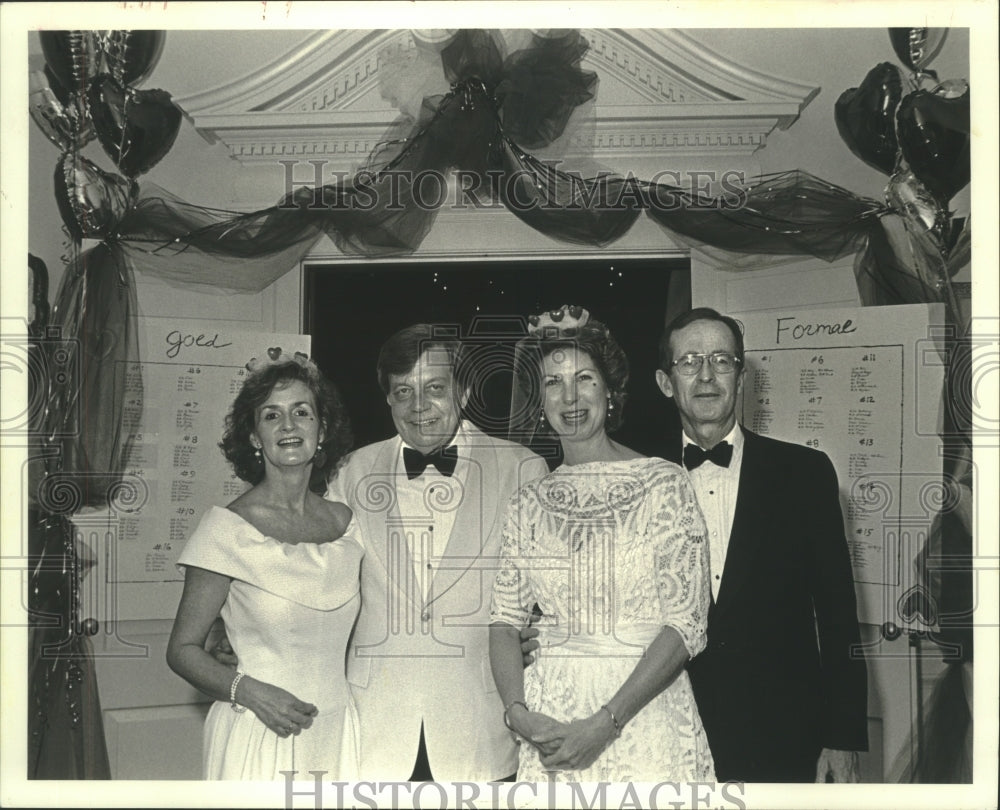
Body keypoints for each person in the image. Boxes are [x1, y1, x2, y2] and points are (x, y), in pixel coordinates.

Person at [490, 306, 715, 783]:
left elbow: (686, 625)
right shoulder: (527, 502)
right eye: (553, 383)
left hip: (643, 717)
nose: (570, 397)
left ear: (610, 391)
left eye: (584, 379)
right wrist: (517, 712)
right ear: (539, 400)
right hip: (550, 721)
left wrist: (606, 723)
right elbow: (504, 622)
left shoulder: (663, 483)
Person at [323, 323, 550, 782]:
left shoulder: (522, 468)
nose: (418, 406)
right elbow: (323, 580)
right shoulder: (350, 472)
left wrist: (537, 633)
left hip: (482, 728)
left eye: (434, 388)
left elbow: (551, 592)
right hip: (375, 730)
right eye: (403, 391)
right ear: (387, 397)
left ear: (463, 392)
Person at [654, 306, 868, 783]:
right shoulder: (639, 477)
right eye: (689, 362)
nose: (706, 376)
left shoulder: (805, 474)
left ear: (742, 375)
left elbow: (837, 617)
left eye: (721, 361)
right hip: (666, 730)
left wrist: (843, 735)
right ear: (666, 382)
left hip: (783, 738)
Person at [166, 351, 362, 780]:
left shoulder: (349, 526)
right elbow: (181, 650)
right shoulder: (225, 529)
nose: (289, 426)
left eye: (302, 413)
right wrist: (250, 693)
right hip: (258, 732)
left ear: (321, 429)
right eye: (272, 416)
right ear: (255, 437)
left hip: (339, 736)